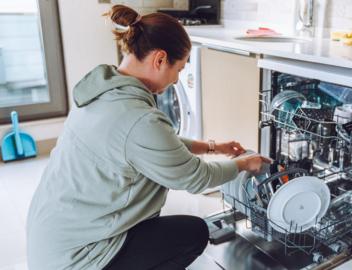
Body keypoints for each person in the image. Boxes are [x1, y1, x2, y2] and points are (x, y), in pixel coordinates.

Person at [26, 5, 270, 270]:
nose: (177, 80)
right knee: (194, 232)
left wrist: (213, 147)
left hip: (52, 241)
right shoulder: (138, 118)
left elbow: (154, 144)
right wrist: (244, 164)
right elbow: (197, 178)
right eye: (179, 69)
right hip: (79, 258)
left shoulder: (103, 89)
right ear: (160, 59)